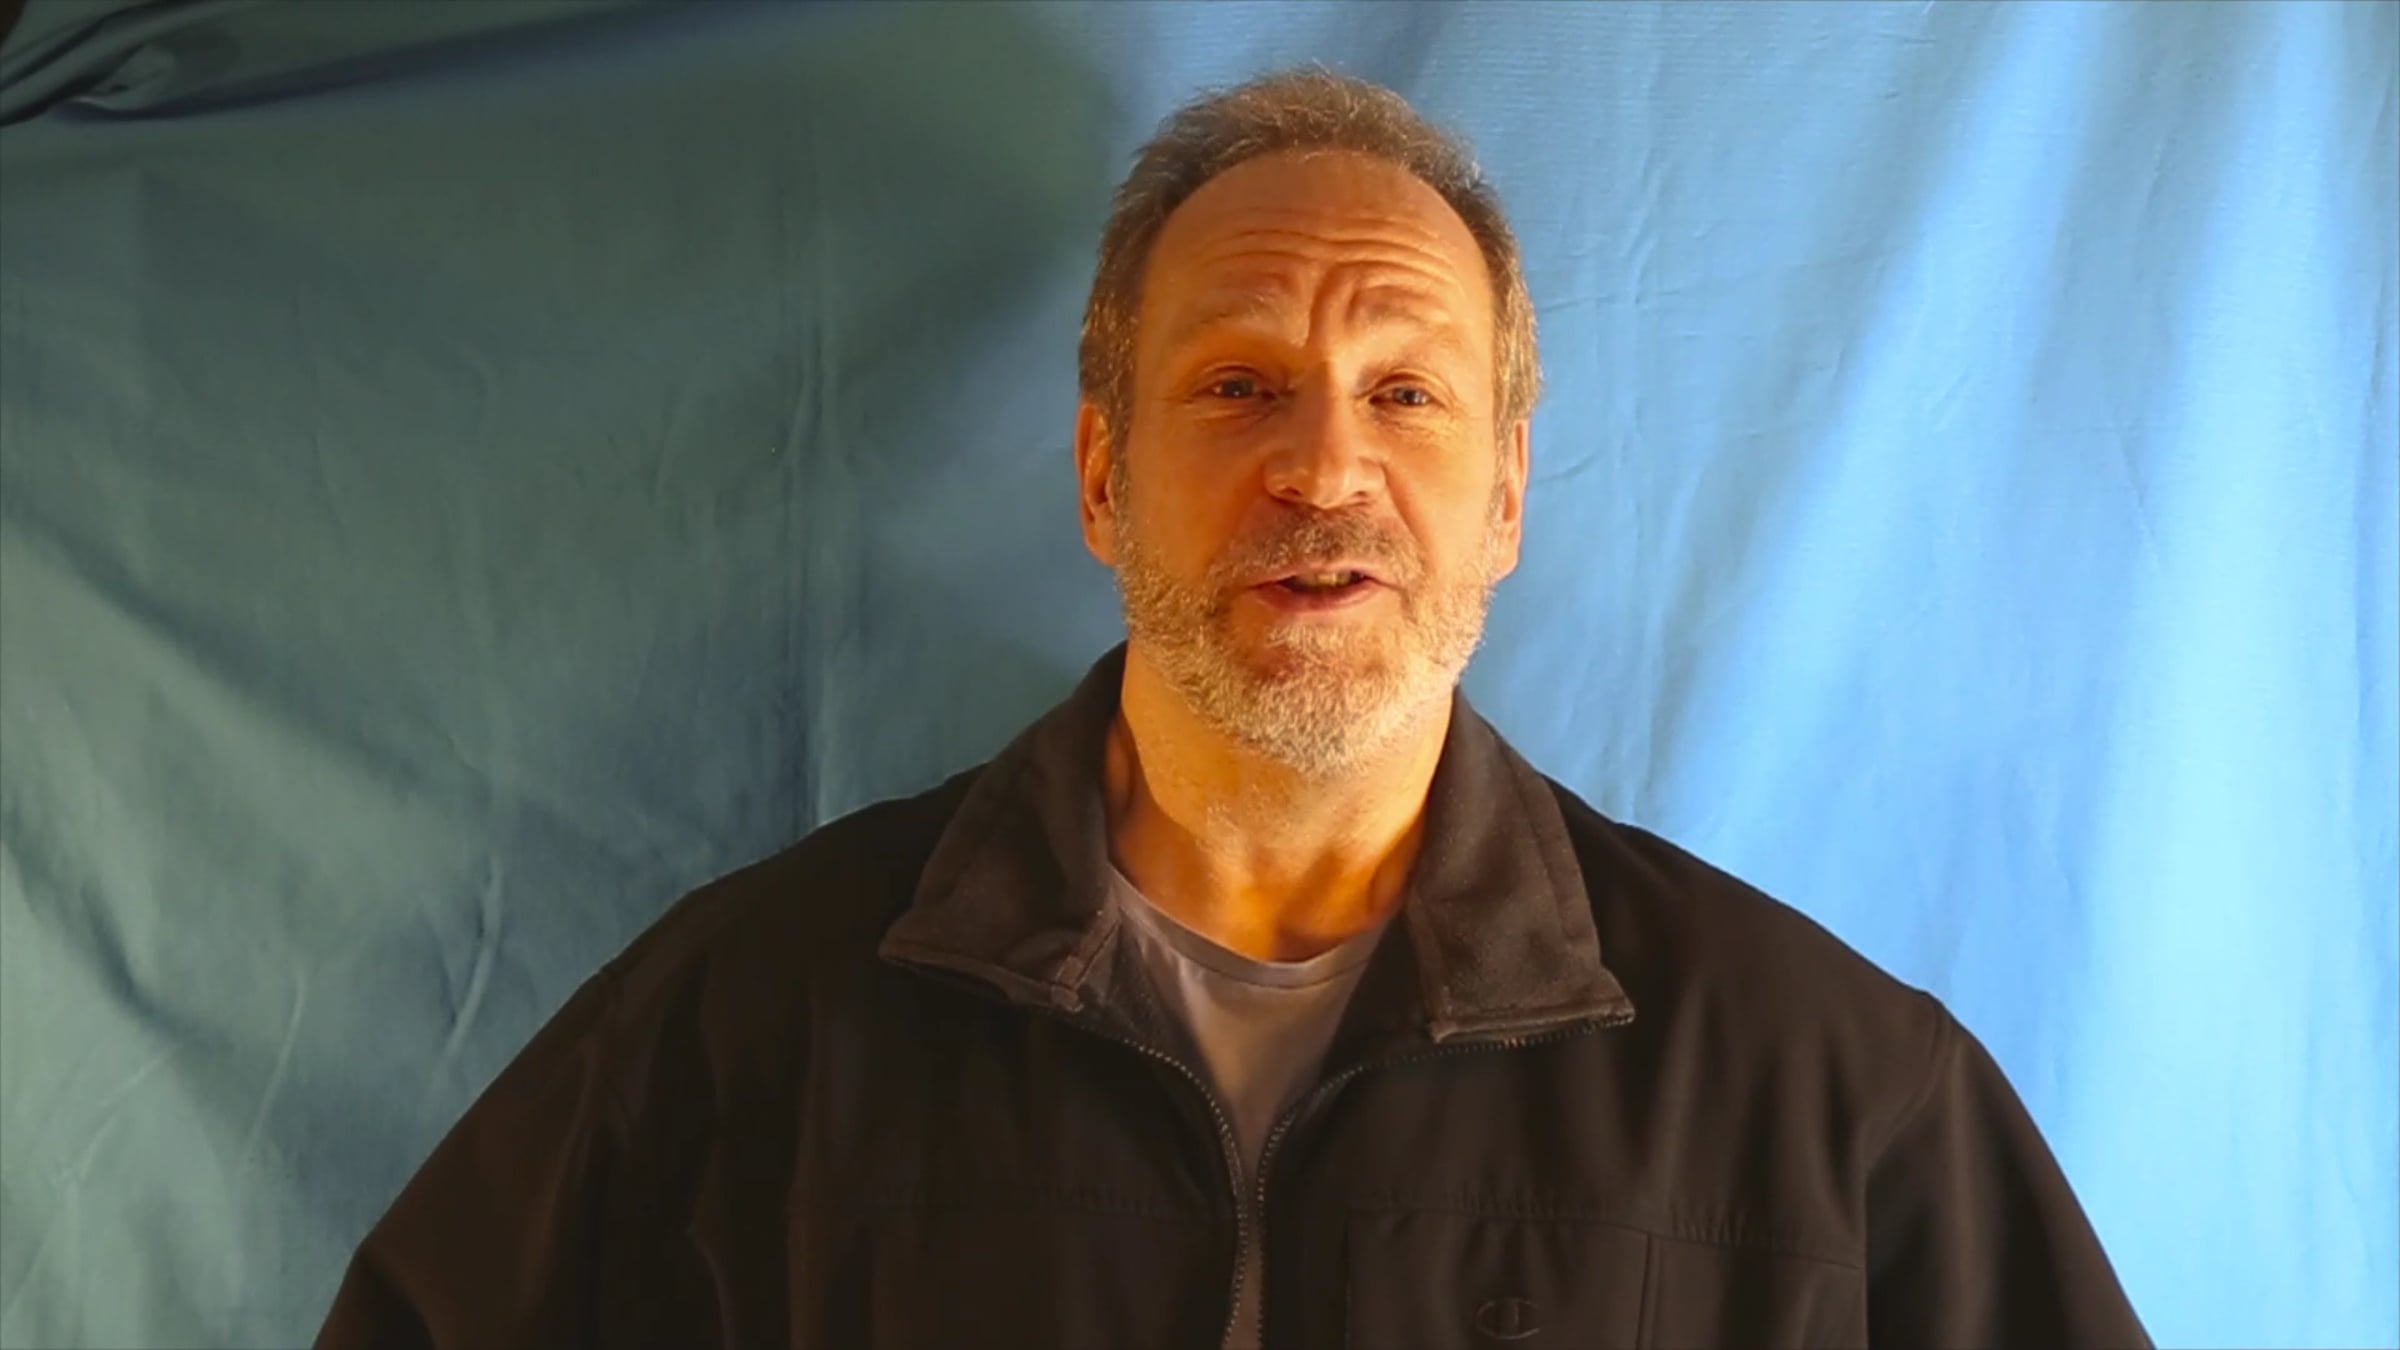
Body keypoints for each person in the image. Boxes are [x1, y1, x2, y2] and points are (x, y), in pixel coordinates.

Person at [315, 67, 2151, 1350]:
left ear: (1507, 496)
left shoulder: (1829, 1097)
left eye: (1407, 394)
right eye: (1239, 385)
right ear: (1103, 475)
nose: (1324, 467)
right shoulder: (740, 1030)